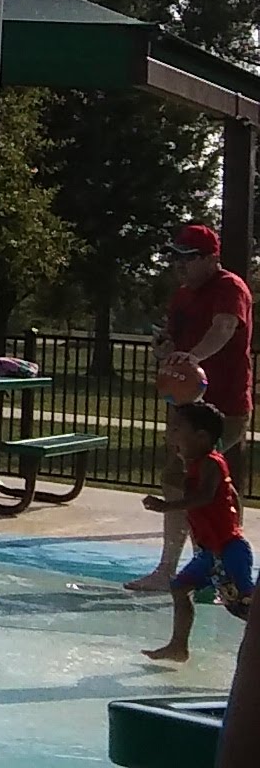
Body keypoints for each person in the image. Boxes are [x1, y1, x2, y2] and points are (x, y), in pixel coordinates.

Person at [130, 222, 257, 593]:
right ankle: (185, 568)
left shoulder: (230, 287)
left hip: (224, 406)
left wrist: (193, 357)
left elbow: (224, 328)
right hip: (187, 404)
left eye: (189, 258)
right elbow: (176, 344)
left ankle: (208, 571)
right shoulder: (183, 296)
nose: (179, 265)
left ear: (212, 258)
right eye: (175, 257)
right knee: (187, 480)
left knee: (202, 483)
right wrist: (165, 351)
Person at [145, 400, 254, 662]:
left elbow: (205, 497)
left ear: (201, 437)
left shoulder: (211, 462)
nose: (171, 434)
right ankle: (178, 646)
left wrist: (166, 506)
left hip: (229, 550)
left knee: (244, 605)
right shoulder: (198, 464)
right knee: (180, 587)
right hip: (210, 553)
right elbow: (231, 493)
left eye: (177, 429)